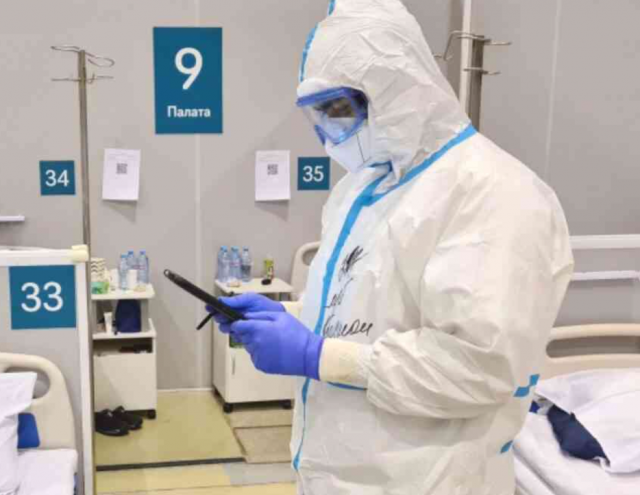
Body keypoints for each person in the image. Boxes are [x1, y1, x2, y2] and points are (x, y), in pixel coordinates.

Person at [208, 0, 574, 493]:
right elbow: (364, 315)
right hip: (338, 476)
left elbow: (477, 367)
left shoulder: (496, 194)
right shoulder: (360, 191)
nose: (328, 130)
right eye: (317, 113)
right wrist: (289, 318)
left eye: (338, 109)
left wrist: (316, 355)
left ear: (396, 86)